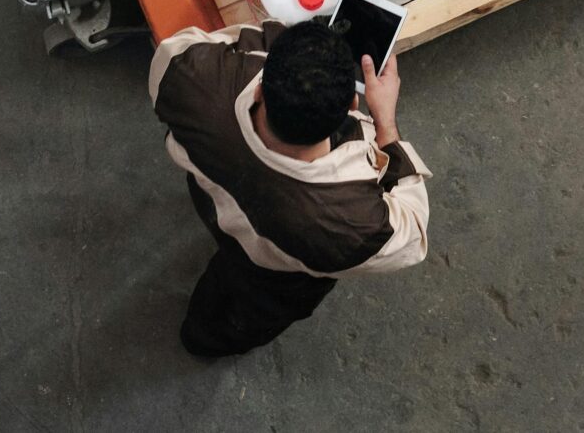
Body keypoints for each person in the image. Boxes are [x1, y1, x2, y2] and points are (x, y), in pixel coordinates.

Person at [149, 18, 429, 358]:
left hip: (212, 200)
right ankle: (208, 342)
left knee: (221, 284)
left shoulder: (193, 80)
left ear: (259, 89)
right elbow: (411, 232)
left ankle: (201, 335)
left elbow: (180, 47)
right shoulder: (350, 225)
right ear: (352, 106)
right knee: (244, 317)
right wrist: (385, 123)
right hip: (273, 277)